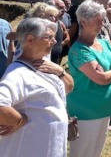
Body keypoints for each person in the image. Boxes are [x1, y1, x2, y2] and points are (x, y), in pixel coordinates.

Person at [0, 17, 73, 157]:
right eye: (48, 37)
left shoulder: (45, 65)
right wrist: (20, 120)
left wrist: (60, 71)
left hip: (48, 147)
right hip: (29, 148)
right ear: (30, 40)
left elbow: (68, 88)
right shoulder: (18, 73)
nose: (55, 41)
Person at [67, 0, 111, 157]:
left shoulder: (104, 43)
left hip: (105, 107)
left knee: (96, 152)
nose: (102, 24)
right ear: (83, 22)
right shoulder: (79, 50)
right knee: (82, 153)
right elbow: (101, 79)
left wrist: (108, 74)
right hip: (85, 111)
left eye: (103, 20)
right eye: (97, 20)